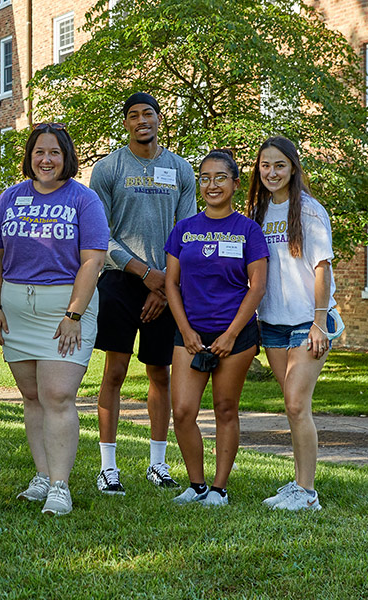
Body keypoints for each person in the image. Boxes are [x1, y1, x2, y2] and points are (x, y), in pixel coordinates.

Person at [0, 123, 108, 516]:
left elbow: (94, 260)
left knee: (57, 395)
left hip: (64, 307)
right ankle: (42, 475)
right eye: (39, 151)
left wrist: (75, 313)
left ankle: (60, 486)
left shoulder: (83, 200)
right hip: (16, 306)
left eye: (54, 152)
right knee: (33, 397)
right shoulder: (10, 197)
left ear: (66, 157)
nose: (46, 159)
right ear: (30, 156)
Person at [90, 92, 197, 495]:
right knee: (114, 372)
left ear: (158, 118)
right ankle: (108, 468)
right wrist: (143, 273)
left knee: (159, 373)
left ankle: (157, 464)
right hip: (120, 281)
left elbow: (185, 232)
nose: (141, 121)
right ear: (126, 124)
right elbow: (101, 234)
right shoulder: (108, 168)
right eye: (133, 115)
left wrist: (165, 286)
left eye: (147, 113)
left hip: (166, 284)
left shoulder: (180, 168)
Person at [165, 150, 268, 507]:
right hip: (189, 334)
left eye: (220, 178)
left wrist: (231, 335)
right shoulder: (184, 229)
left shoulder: (248, 230)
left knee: (225, 409)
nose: (211, 185)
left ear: (235, 184)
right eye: (205, 178)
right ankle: (196, 485)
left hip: (235, 337)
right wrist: (186, 330)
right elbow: (171, 285)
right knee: (182, 411)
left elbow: (257, 287)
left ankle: (219, 489)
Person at [247, 137, 336, 511]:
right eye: (265, 166)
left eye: (279, 165)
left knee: (297, 403)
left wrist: (319, 323)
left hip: (308, 321)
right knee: (292, 405)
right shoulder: (257, 212)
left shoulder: (311, 211)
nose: (271, 172)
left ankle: (308, 493)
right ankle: (299, 483)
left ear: (293, 168)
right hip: (273, 322)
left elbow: (322, 269)